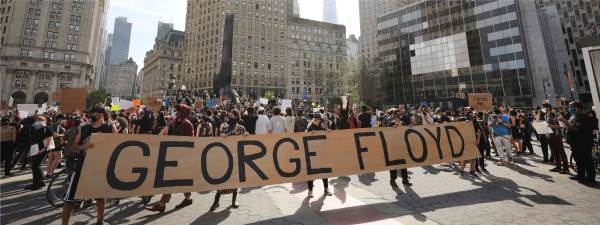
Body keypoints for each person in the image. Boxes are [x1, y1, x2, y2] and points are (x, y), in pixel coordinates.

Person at [62, 107, 117, 225]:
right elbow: (74, 146)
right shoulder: (84, 127)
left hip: (100, 167)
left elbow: (116, 148)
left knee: (100, 196)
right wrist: (84, 147)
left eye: (93, 113)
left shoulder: (110, 128)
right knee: (70, 200)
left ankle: (99, 221)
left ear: (101, 115)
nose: (90, 115)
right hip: (81, 166)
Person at [145, 104, 194, 213]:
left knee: (170, 180)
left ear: (183, 112)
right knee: (179, 179)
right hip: (171, 153)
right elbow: (166, 131)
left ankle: (162, 204)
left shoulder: (187, 124)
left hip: (180, 156)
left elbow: (190, 142)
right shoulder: (174, 121)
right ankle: (188, 198)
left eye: (178, 110)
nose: (176, 112)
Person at [210, 109, 248, 210]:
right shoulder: (225, 127)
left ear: (237, 117)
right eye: (229, 116)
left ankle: (234, 200)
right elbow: (219, 141)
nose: (230, 118)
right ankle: (216, 201)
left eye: (232, 116)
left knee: (235, 179)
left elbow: (247, 139)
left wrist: (246, 136)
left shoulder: (241, 128)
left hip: (236, 157)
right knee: (222, 180)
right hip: (225, 158)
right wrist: (222, 137)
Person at [563, 101, 597, 185]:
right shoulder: (575, 116)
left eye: (571, 107)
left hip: (583, 143)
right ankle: (580, 175)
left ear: (577, 107)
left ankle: (590, 178)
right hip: (575, 143)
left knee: (586, 160)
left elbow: (576, 129)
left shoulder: (584, 117)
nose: (570, 109)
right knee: (578, 160)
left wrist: (565, 122)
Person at [305, 114, 332, 197]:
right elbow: (304, 136)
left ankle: (326, 188)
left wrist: (328, 132)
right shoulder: (310, 127)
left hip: (321, 153)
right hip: (312, 153)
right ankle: (310, 190)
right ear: (316, 119)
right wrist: (309, 133)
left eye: (321, 120)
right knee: (311, 173)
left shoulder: (322, 128)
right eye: (319, 119)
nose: (320, 121)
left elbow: (327, 137)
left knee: (324, 172)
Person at [25, 115, 53, 190]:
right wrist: (29, 151)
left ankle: (38, 183)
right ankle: (39, 182)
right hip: (35, 148)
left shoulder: (47, 128)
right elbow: (33, 141)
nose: (38, 121)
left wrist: (44, 149)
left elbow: (49, 139)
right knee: (35, 166)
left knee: (36, 165)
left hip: (43, 149)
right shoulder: (35, 128)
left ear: (44, 121)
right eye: (37, 120)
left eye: (40, 120)